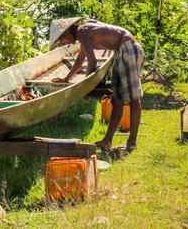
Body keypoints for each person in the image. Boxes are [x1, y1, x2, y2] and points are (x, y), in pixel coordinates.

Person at [49, 17, 144, 151]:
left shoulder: (82, 31)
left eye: (62, 39)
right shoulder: (83, 31)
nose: (63, 42)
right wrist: (66, 78)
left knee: (134, 98)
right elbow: (81, 58)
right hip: (121, 50)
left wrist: (87, 85)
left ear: (67, 32)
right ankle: (107, 141)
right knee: (117, 100)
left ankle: (132, 142)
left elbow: (92, 61)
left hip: (129, 49)